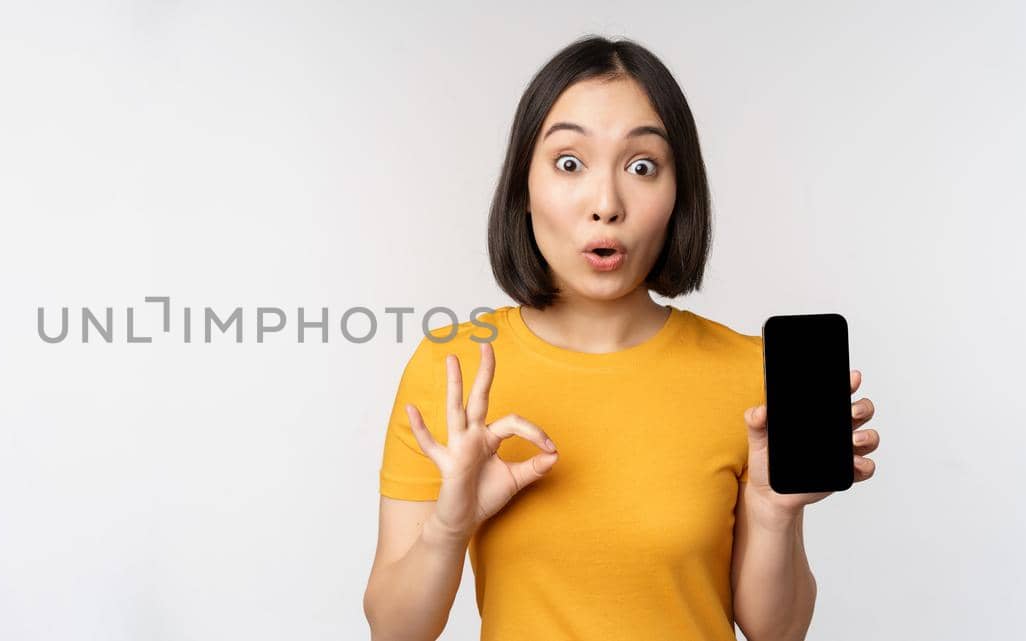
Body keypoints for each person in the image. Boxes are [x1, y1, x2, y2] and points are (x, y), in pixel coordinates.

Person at [361, 35, 882, 641]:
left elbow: (778, 632)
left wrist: (773, 510)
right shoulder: (453, 369)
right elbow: (394, 633)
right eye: (569, 162)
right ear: (522, 191)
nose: (606, 203)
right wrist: (450, 527)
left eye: (642, 166)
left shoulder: (750, 375)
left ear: (678, 193)